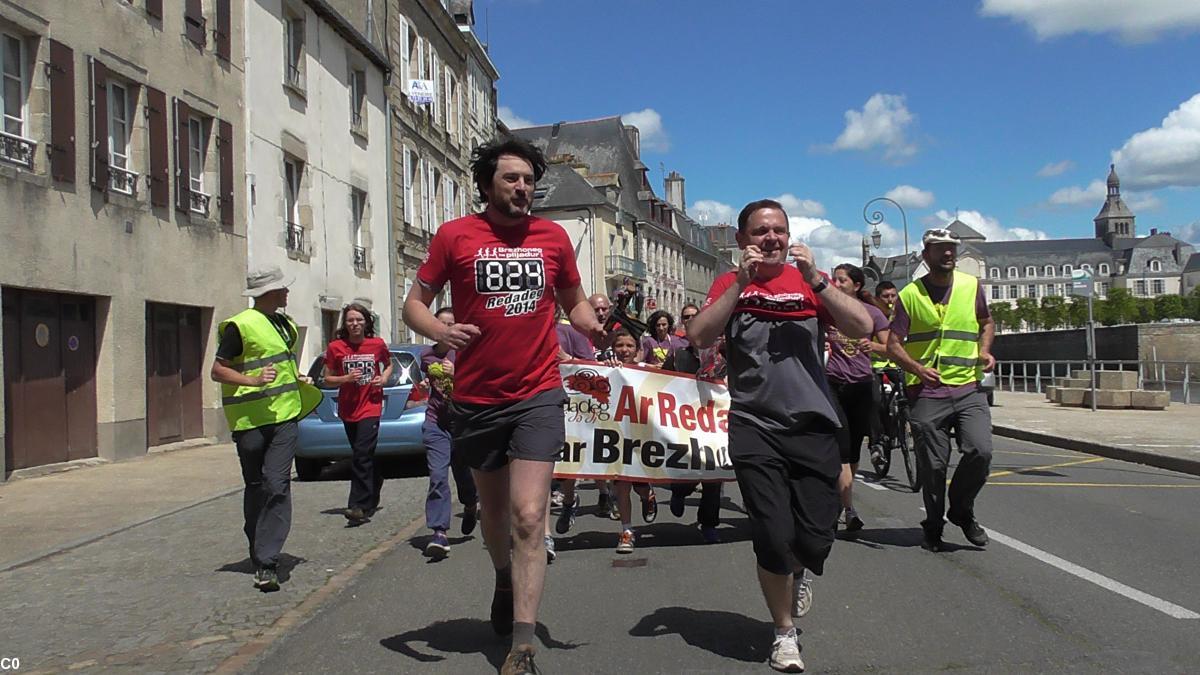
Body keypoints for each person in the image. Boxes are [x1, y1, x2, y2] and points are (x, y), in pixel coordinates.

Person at [402, 136, 604, 675]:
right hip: (476, 398)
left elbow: (574, 302)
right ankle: (502, 577)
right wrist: (440, 330)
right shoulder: (455, 236)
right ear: (487, 185)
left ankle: (523, 644)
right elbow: (413, 305)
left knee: (529, 515)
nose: (522, 188)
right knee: (493, 516)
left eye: (529, 180)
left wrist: (591, 322)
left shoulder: (553, 237)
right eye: (511, 178)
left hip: (538, 393)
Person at [688, 199, 871, 673]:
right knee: (772, 534)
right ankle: (784, 632)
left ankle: (800, 568)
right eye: (760, 231)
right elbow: (699, 336)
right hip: (755, 425)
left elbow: (862, 326)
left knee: (815, 536)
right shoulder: (730, 284)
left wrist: (817, 281)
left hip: (813, 424)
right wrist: (740, 284)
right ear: (742, 240)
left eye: (779, 231)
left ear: (789, 237)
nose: (771, 239)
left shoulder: (810, 281)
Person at [886, 228, 995, 553]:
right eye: (940, 248)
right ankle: (933, 525)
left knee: (980, 450)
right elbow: (893, 345)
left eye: (951, 248)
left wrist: (984, 350)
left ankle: (961, 509)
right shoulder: (909, 295)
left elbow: (986, 322)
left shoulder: (970, 286)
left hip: (968, 386)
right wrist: (917, 369)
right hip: (927, 392)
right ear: (926, 255)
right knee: (933, 467)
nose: (947, 253)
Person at [210, 266, 311, 593]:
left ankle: (267, 562)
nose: (287, 292)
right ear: (269, 292)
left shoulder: (287, 325)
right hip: (249, 421)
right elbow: (217, 371)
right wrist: (253, 380)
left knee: (276, 484)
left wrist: (298, 378)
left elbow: (282, 365)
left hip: (285, 417)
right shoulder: (239, 326)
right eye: (283, 288)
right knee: (256, 486)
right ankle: (257, 544)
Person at [823, 264, 890, 532]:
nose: (837, 284)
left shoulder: (872, 313)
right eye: (835, 280)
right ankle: (849, 509)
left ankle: (841, 501)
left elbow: (890, 347)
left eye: (842, 280)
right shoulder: (827, 310)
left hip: (861, 385)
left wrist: (873, 345)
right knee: (841, 446)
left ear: (857, 285)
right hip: (832, 383)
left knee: (852, 449)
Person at [321, 303, 393, 526]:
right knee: (362, 454)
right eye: (350, 320)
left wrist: (383, 378)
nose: (355, 324)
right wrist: (346, 379)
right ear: (345, 324)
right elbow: (327, 378)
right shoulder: (336, 347)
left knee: (361, 454)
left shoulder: (377, 344)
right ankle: (375, 478)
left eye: (359, 320)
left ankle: (358, 506)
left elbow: (389, 365)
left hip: (371, 406)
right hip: (349, 408)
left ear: (366, 322)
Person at [421, 307, 479, 558]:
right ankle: (439, 532)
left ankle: (470, 503)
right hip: (436, 423)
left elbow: (480, 382)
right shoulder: (426, 356)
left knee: (465, 475)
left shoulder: (467, 354)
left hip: (463, 423)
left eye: (451, 324)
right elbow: (428, 383)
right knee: (438, 476)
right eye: (442, 324)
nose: (447, 328)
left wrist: (458, 374)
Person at [663, 333, 726, 544]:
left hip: (715, 424)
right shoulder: (679, 356)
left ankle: (709, 524)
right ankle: (680, 491)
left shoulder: (726, 357)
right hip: (685, 423)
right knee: (689, 468)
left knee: (714, 474)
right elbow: (659, 382)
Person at [605, 329, 660, 554]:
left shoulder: (647, 370)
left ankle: (648, 496)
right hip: (617, 437)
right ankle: (626, 531)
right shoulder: (606, 369)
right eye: (619, 345)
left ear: (637, 349)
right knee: (621, 486)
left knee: (639, 486)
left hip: (643, 438)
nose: (624, 350)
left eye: (629, 346)